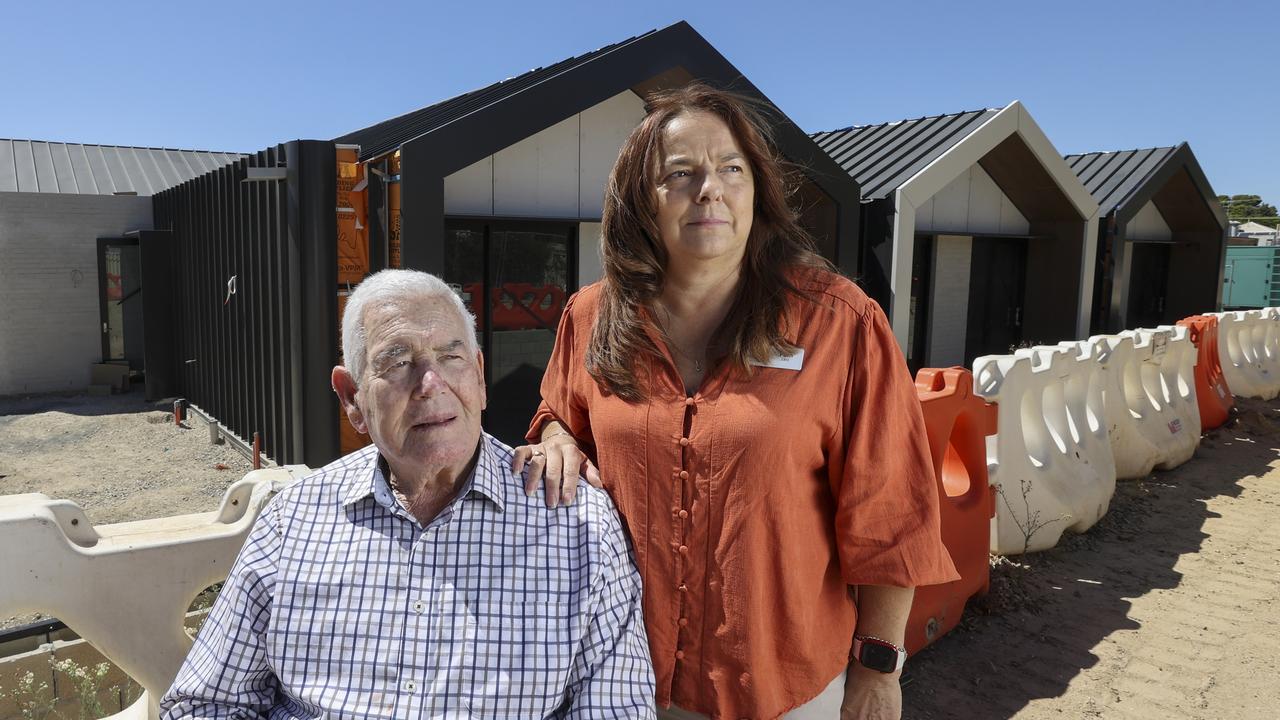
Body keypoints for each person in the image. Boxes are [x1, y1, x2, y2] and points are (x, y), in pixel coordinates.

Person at [514, 84, 958, 720]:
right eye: (681, 173)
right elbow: (561, 416)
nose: (709, 189)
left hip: (783, 689)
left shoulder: (839, 323)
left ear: (758, 190)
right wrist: (556, 438)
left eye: (731, 168)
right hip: (619, 681)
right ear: (642, 198)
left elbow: (891, 514)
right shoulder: (591, 318)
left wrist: (878, 667)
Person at [161, 269, 656, 719]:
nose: (430, 384)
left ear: (480, 378)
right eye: (397, 363)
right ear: (352, 399)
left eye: (451, 356)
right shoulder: (291, 522)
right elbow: (206, 703)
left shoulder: (576, 525)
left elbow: (617, 711)